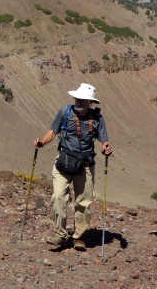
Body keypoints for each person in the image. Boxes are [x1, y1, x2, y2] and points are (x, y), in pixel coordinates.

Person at [33, 82, 112, 251]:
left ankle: (79, 237)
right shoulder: (65, 112)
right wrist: (42, 142)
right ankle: (60, 236)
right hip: (64, 161)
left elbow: (104, 140)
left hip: (85, 165)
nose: (79, 101)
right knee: (59, 197)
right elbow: (53, 131)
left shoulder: (97, 119)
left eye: (83, 99)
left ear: (90, 102)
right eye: (77, 97)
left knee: (83, 202)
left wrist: (106, 147)